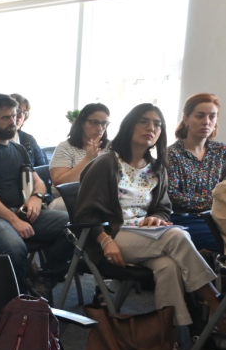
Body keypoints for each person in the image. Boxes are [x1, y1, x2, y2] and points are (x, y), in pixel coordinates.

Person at [75, 103, 221, 328]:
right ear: (128, 126)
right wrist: (105, 241)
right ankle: (214, 300)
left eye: (157, 124)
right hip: (112, 237)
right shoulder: (106, 164)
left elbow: (163, 207)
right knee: (176, 236)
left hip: (146, 236)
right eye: (143, 121)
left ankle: (168, 339)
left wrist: (157, 219)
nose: (150, 127)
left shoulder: (156, 168)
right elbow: (84, 214)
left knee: (168, 267)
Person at [0, 93, 73, 298]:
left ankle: (43, 281)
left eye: (14, 116)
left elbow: (38, 181)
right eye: (5, 118)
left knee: (72, 226)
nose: (13, 122)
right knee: (15, 248)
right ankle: (22, 302)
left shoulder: (19, 149)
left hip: (21, 212)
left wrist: (36, 198)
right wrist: (14, 220)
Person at [167, 93, 226, 253]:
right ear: (186, 119)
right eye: (200, 116)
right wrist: (216, 202)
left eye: (212, 117)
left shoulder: (221, 151)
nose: (206, 122)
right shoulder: (172, 154)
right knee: (218, 241)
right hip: (185, 219)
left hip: (218, 216)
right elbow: (174, 197)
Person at [48, 103, 111, 212]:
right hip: (68, 199)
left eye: (104, 123)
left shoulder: (111, 147)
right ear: (82, 123)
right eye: (94, 122)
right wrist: (88, 159)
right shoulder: (65, 147)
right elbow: (60, 184)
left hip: (102, 197)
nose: (100, 128)